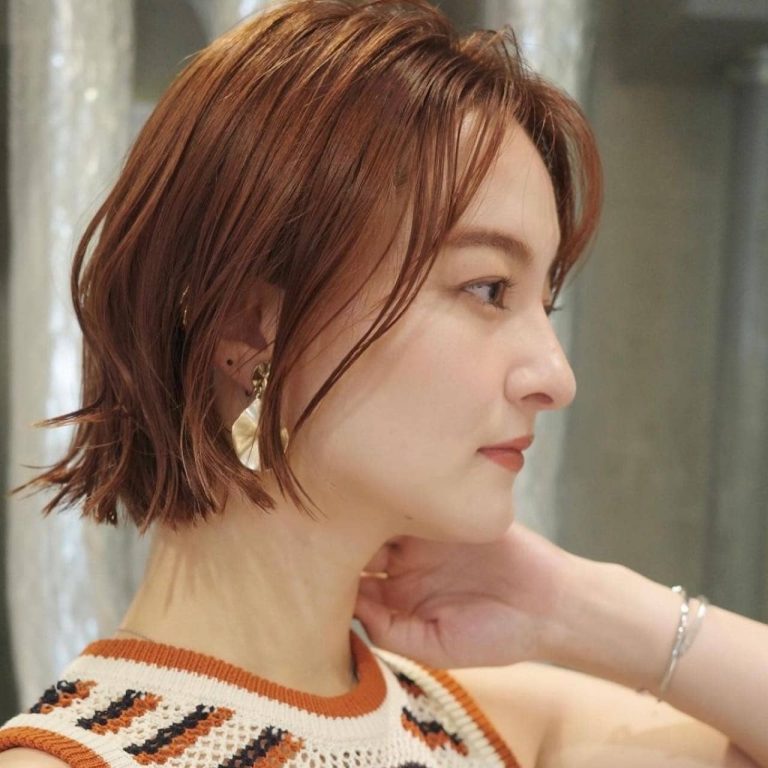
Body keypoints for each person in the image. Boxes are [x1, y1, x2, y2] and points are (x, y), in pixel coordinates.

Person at [1, 1, 766, 766]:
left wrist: (573, 607)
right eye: (489, 289)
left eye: (545, 302)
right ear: (251, 326)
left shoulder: (481, 727)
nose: (555, 378)